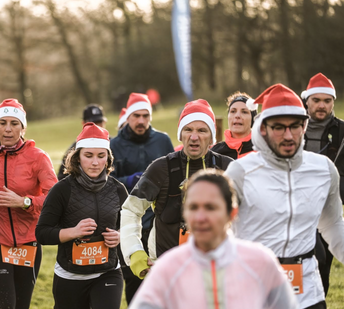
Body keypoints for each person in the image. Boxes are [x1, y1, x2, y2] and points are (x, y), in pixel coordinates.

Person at [225, 84, 344, 309]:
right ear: (263, 128)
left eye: (295, 127)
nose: (288, 135)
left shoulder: (324, 169)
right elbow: (220, 233)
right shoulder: (240, 172)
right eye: (279, 127)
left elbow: (333, 224)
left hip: (308, 292)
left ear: (304, 126)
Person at [130, 169, 298, 309]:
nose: (201, 217)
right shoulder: (167, 268)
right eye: (193, 207)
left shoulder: (261, 262)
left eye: (211, 207)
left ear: (232, 213)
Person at [120, 99, 233, 283]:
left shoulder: (228, 168)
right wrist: (134, 253)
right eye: (188, 130)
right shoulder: (161, 168)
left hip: (216, 271)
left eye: (202, 130)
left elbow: (248, 214)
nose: (194, 137)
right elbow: (130, 210)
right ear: (180, 134)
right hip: (167, 273)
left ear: (212, 137)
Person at [0, 98, 57, 309]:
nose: (7, 129)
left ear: (23, 127)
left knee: (21, 305)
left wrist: (24, 202)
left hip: (28, 241)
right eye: (2, 123)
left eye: (14, 123)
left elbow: (55, 197)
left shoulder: (38, 157)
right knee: (5, 305)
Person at [36, 123, 127, 309]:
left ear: (108, 159)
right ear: (77, 158)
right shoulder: (61, 190)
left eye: (101, 156)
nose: (95, 162)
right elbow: (42, 233)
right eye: (88, 155)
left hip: (107, 272)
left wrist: (120, 236)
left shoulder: (118, 189)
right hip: (70, 276)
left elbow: (130, 228)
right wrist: (73, 232)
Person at [110, 92, 174, 303]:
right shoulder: (114, 145)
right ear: (127, 117)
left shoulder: (162, 141)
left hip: (159, 225)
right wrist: (130, 180)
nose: (141, 121)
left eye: (145, 116)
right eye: (136, 115)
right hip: (128, 223)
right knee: (135, 283)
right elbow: (107, 181)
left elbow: (176, 175)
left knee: (164, 285)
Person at [301, 73, 343, 296]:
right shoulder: (294, 128)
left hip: (327, 209)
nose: (321, 105)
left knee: (324, 264)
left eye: (327, 101)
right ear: (306, 101)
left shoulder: (342, 132)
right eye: (316, 100)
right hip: (296, 209)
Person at [57, 104, 107, 180]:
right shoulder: (74, 149)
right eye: (93, 123)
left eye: (99, 122)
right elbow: (62, 177)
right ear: (83, 124)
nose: (96, 126)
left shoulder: (114, 144)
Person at [211, 92, 257, 159]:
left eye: (244, 112)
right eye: (233, 111)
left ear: (253, 119)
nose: (237, 116)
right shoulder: (214, 153)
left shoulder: (263, 150)